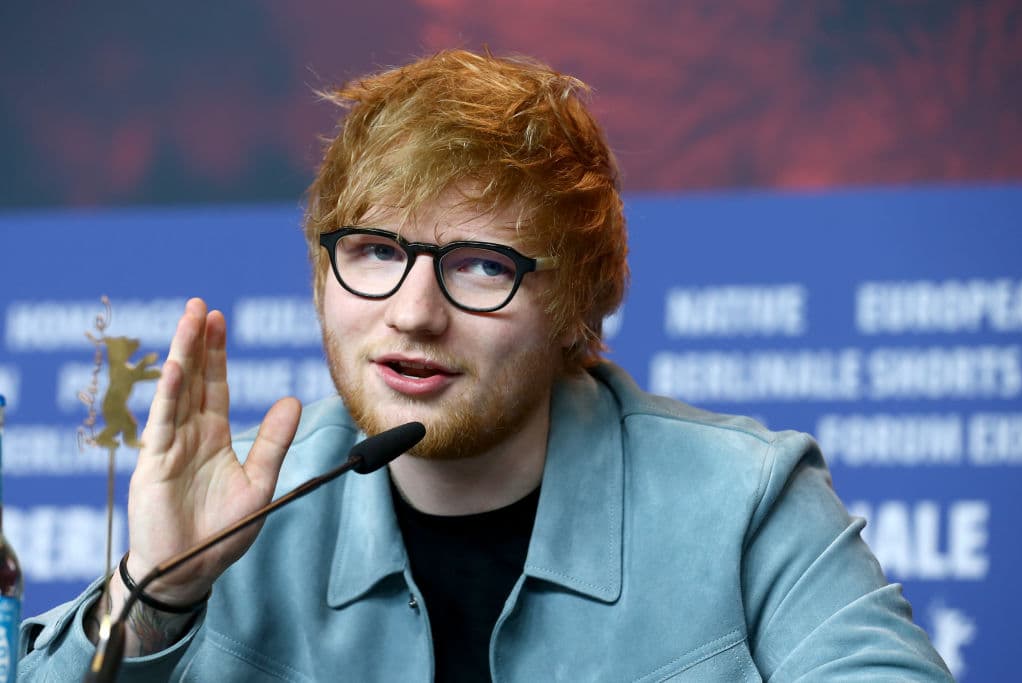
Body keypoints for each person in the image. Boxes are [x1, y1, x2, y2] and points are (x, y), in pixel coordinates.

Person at [18, 49, 952, 681]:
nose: (414, 313)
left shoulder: (744, 500)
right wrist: (156, 590)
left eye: (480, 266)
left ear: (577, 306)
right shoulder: (245, 518)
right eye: (377, 251)